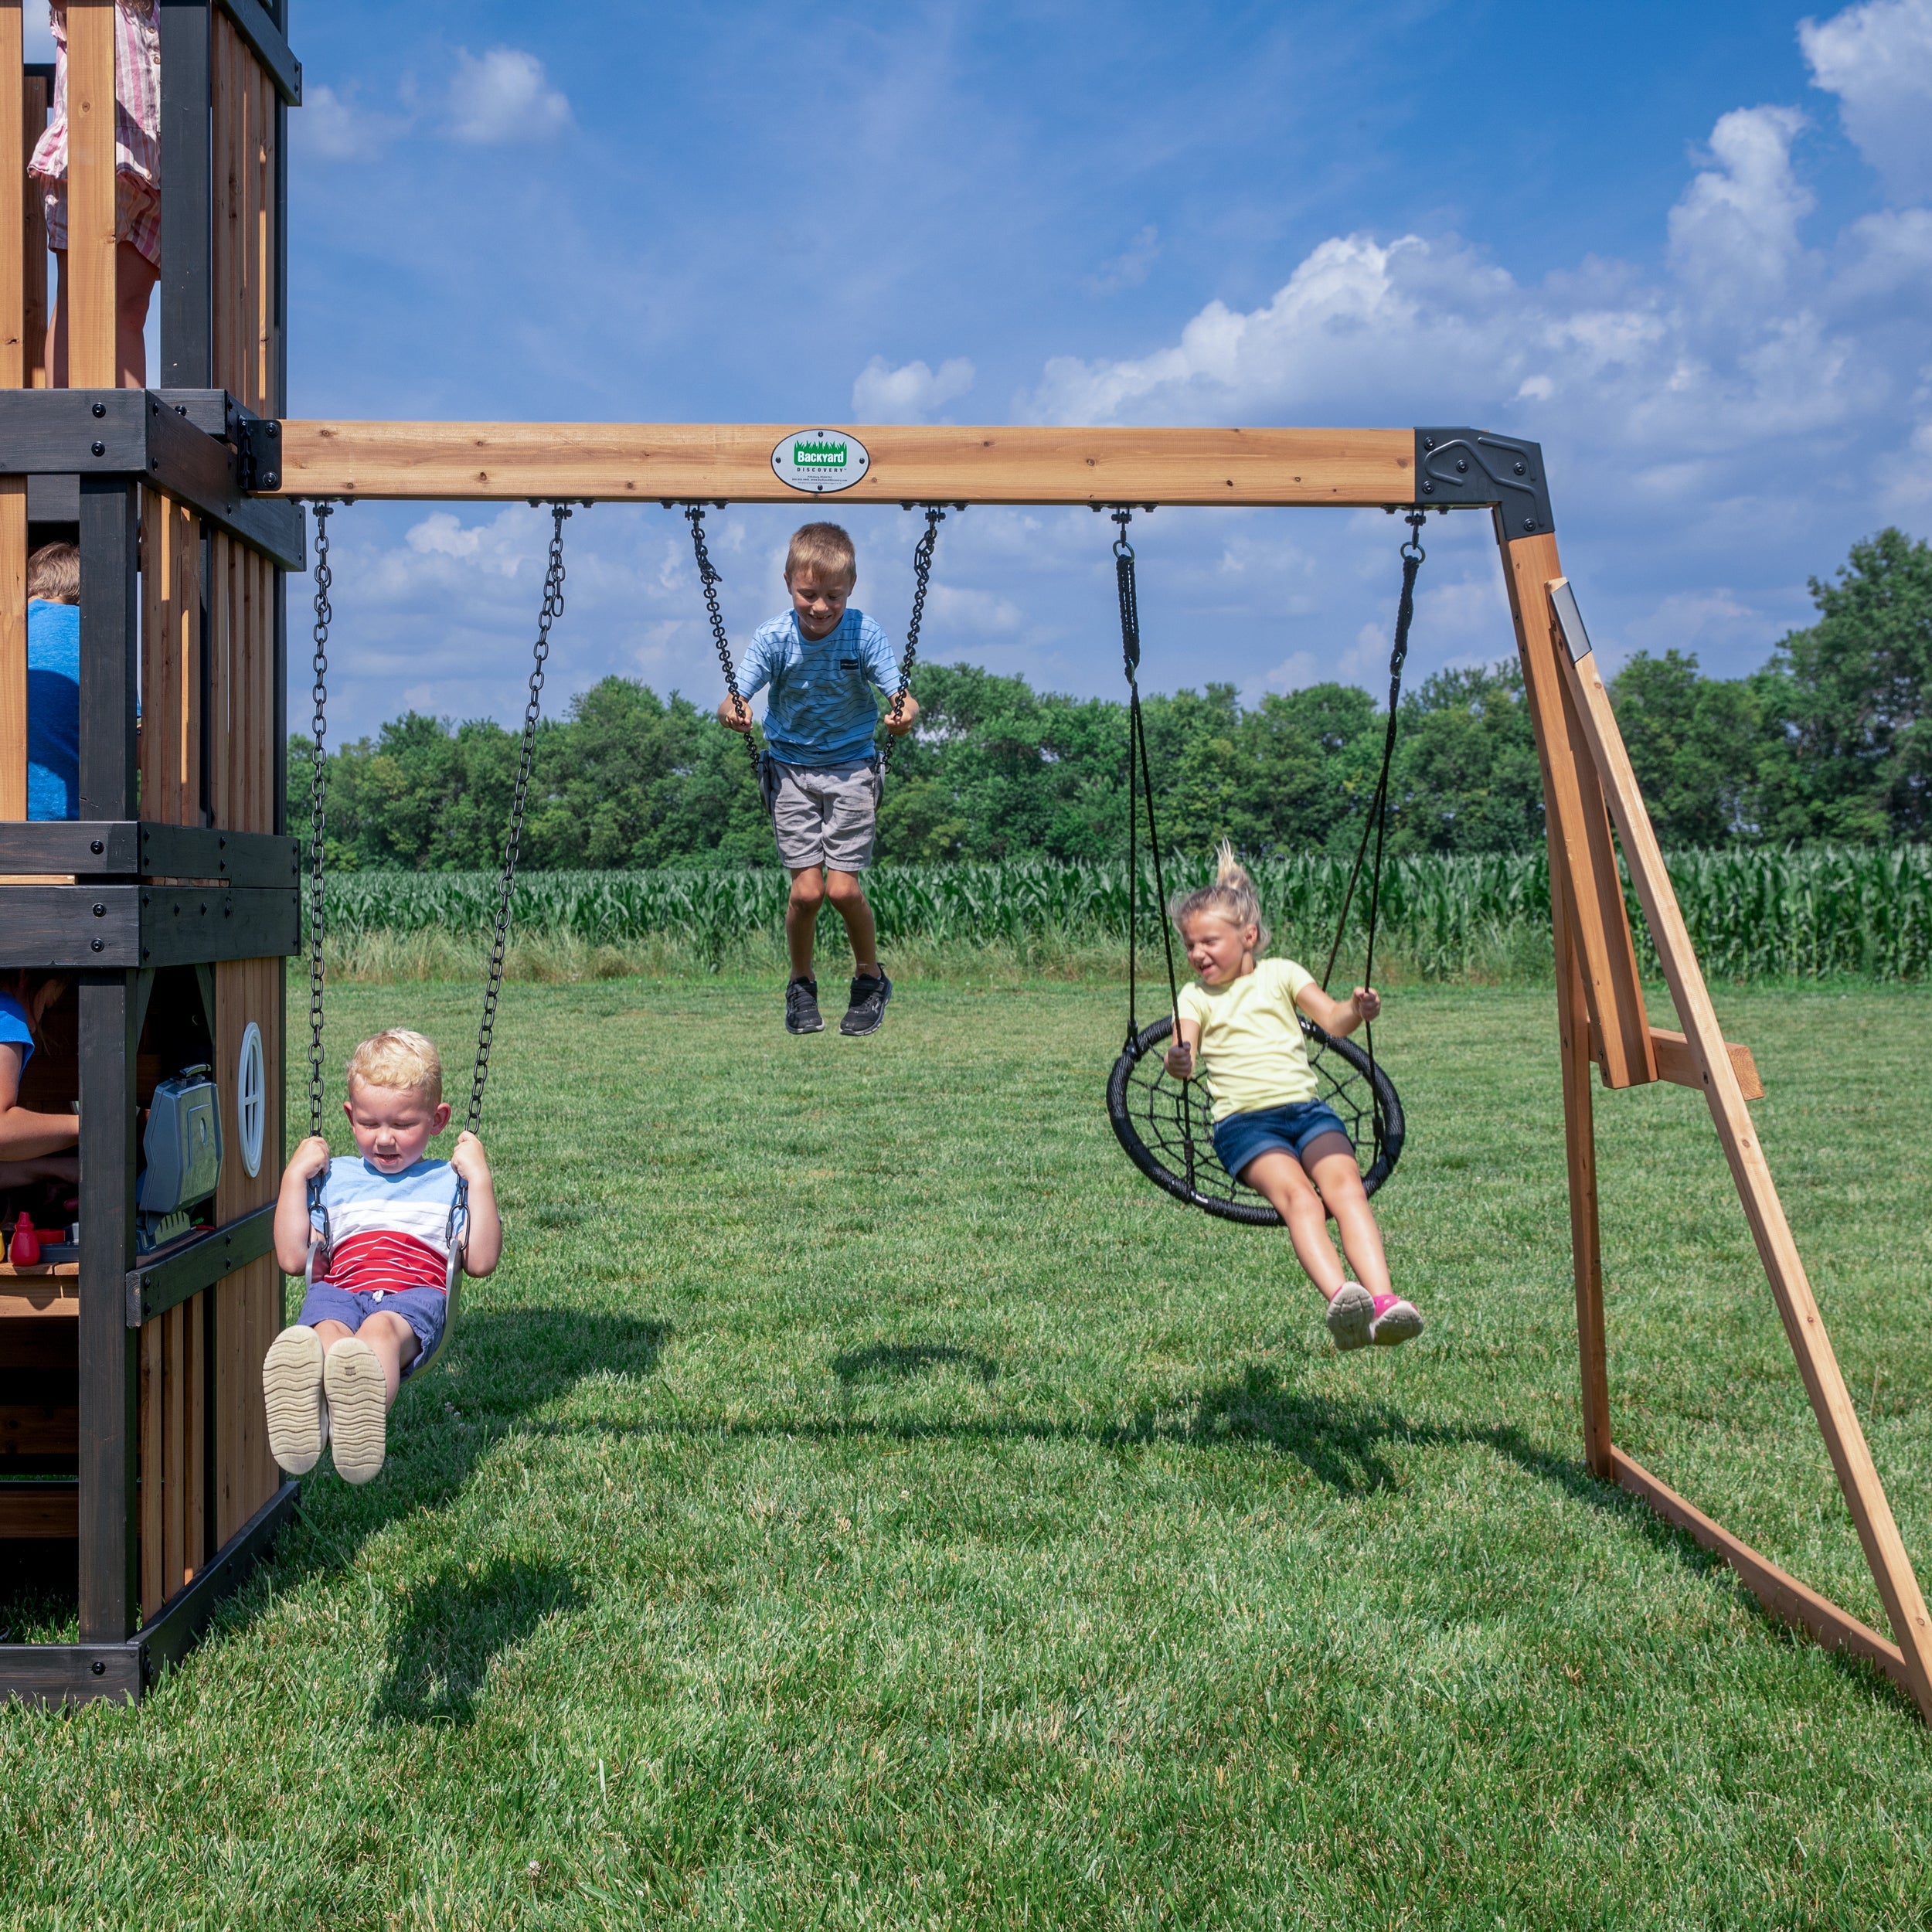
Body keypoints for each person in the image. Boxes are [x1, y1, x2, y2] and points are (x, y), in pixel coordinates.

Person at [1165, 845, 1423, 1352]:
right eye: (1190, 944)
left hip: (1308, 1114)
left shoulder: (1282, 973)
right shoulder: (1194, 996)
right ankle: (1343, 1302)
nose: (1197, 954)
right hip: (1245, 1125)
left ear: (1248, 936)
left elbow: (1333, 1022)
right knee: (1301, 1200)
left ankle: (1384, 1301)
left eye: (1209, 942)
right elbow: (1184, 1050)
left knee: (1347, 1189)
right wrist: (1179, 1060)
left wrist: (1356, 1008)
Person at [262, 1029, 502, 1486]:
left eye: (403, 1124)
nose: (385, 1139)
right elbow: (293, 1258)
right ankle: (310, 1411)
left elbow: (482, 1261)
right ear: (350, 1116)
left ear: (438, 1120)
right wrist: (294, 1177)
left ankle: (358, 1420)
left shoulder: (449, 1181)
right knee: (325, 1336)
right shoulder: (333, 1176)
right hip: (340, 1289)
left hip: (411, 1298)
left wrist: (480, 1179)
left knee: (379, 1332)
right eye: (370, 1124)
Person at [719, 521, 917, 1037]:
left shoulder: (863, 633)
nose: (821, 607)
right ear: (788, 583)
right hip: (790, 770)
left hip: (852, 768)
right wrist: (735, 711)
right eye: (809, 594)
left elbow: (902, 695)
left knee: (842, 891)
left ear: (851, 587)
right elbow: (734, 698)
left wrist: (903, 714)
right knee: (806, 894)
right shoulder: (774, 637)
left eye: (833, 595)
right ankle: (801, 983)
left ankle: (870, 978)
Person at [29, 0, 162, 389]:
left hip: (152, 167)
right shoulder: (92, 6)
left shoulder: (162, 11)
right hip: (93, 155)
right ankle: (64, 412)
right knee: (80, 295)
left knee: (132, 306)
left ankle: (129, 413)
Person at [0, 974, 77, 1194]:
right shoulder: (6, 1011)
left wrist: (60, 1169)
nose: (33, 1027)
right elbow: (2, 1129)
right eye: (46, 1005)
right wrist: (96, 1126)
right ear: (24, 976)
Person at [26, 542, 80, 821]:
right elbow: (136, 750)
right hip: (82, 822)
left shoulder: (10, 627)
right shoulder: (104, 636)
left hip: (8, 815)